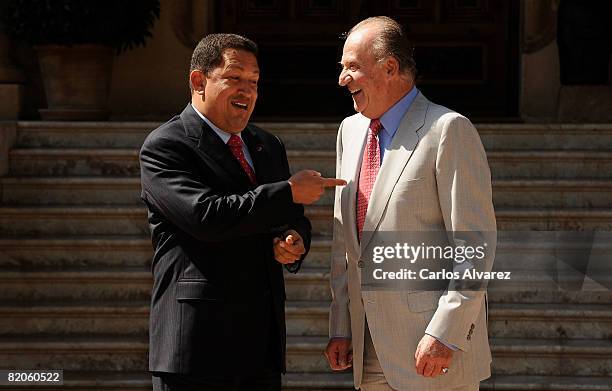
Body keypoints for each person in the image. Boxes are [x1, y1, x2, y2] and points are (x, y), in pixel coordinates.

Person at [140, 33, 346, 391]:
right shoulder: (165, 146)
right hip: (196, 349)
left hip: (260, 350)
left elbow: (289, 217)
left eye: (254, 82)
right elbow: (206, 216)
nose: (247, 92)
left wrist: (294, 240)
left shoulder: (266, 144)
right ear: (198, 81)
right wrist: (288, 191)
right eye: (234, 79)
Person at [324, 17, 497, 391]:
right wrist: (342, 325)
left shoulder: (448, 130)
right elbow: (346, 245)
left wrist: (446, 334)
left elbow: (475, 247)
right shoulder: (350, 131)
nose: (342, 79)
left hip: (433, 352)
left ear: (390, 67)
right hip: (368, 349)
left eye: (352, 67)